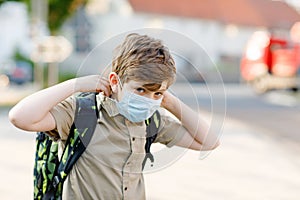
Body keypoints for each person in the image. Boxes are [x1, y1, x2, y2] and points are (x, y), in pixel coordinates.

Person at [9, 33, 220, 199]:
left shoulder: (152, 122)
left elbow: (209, 142)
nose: (148, 99)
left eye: (156, 93)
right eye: (140, 90)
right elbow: (20, 117)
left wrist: (169, 101)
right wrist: (75, 85)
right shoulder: (82, 112)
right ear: (115, 81)